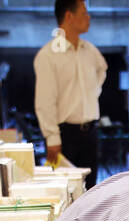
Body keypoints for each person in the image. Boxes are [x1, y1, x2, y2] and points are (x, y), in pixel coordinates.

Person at [34, 0, 106, 189]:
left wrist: (91, 94)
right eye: (84, 13)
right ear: (68, 16)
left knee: (90, 191)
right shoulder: (48, 55)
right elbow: (45, 101)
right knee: (66, 192)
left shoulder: (89, 50)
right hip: (65, 135)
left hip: (90, 131)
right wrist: (52, 138)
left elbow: (102, 69)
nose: (88, 17)